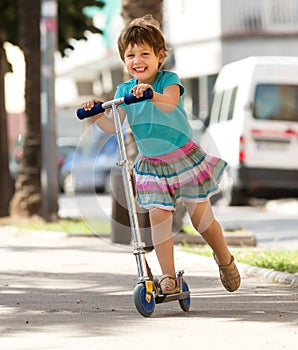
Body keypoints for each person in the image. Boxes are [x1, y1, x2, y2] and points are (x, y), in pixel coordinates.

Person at [81, 14, 240, 294]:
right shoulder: (124, 91)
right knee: (158, 218)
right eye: (131, 55)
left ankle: (224, 258)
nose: (137, 60)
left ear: (160, 56)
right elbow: (111, 126)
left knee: (201, 220)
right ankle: (168, 277)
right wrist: (95, 114)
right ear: (124, 60)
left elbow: (169, 104)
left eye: (145, 53)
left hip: (183, 159)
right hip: (152, 166)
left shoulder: (169, 80)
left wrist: (150, 93)